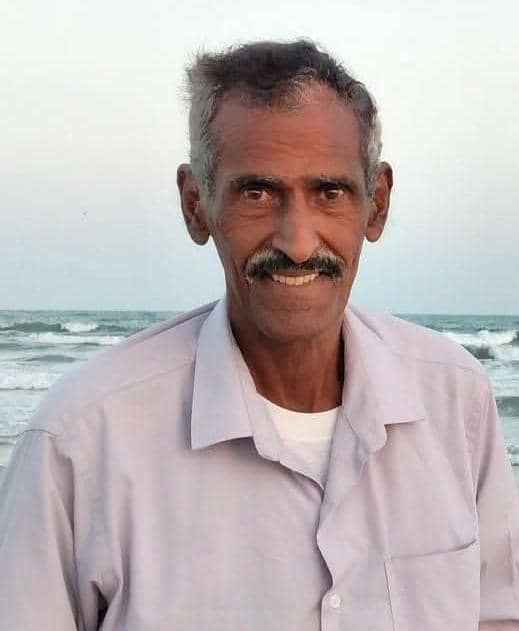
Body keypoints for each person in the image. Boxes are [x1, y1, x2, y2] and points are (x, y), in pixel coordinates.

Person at [0, 39, 518, 631]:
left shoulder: (455, 400)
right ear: (196, 205)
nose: (297, 242)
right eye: (257, 194)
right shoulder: (81, 439)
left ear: (376, 204)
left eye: (329, 192)